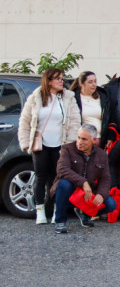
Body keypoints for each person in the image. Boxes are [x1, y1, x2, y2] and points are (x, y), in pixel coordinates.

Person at [17, 68, 82, 224]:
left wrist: (69, 145)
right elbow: (25, 121)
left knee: (56, 179)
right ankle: (40, 211)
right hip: (41, 144)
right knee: (40, 178)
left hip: (60, 145)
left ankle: (55, 211)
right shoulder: (35, 98)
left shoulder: (68, 98)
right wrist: (26, 143)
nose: (62, 81)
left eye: (62, 78)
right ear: (49, 81)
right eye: (58, 78)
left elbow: (75, 122)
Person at [51, 125, 115, 233]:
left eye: (84, 139)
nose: (79, 142)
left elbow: (106, 178)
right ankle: (60, 221)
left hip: (88, 193)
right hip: (71, 190)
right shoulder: (67, 149)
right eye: (78, 137)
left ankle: (85, 213)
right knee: (64, 184)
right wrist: (83, 182)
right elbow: (62, 169)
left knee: (111, 204)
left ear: (93, 140)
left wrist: (101, 194)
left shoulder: (102, 154)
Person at [69, 70, 112, 149]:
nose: (94, 84)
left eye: (95, 81)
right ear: (81, 84)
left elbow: (108, 119)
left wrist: (109, 136)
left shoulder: (102, 97)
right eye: (90, 82)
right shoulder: (74, 98)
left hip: (100, 141)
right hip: (83, 142)